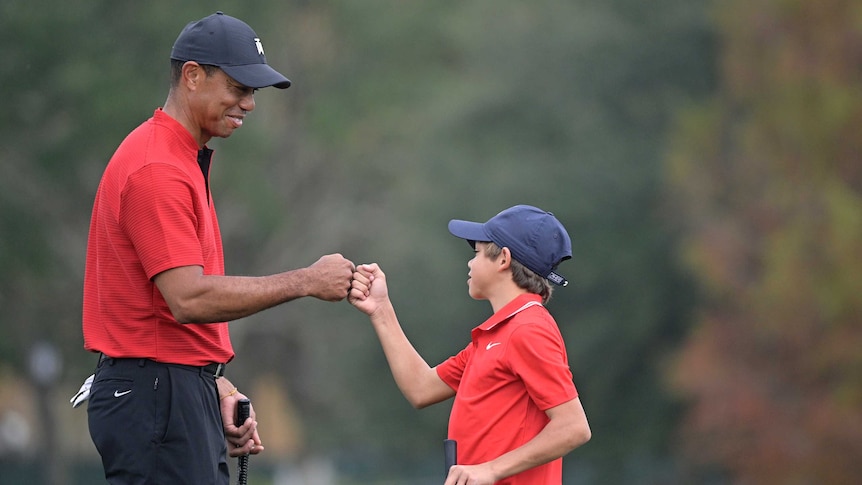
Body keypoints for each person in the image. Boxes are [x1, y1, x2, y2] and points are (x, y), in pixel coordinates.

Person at [80, 11, 354, 485]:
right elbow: (188, 299)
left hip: (168, 388)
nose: (248, 103)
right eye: (238, 88)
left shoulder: (180, 158)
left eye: (252, 92)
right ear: (192, 76)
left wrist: (213, 383)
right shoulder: (158, 168)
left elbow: (167, 315)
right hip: (154, 394)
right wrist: (306, 281)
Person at [349, 205, 591, 485]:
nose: (470, 263)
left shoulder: (528, 328)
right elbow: (421, 388)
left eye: (476, 253)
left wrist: (490, 469)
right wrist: (381, 309)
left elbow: (573, 427)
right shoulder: (497, 333)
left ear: (503, 259)